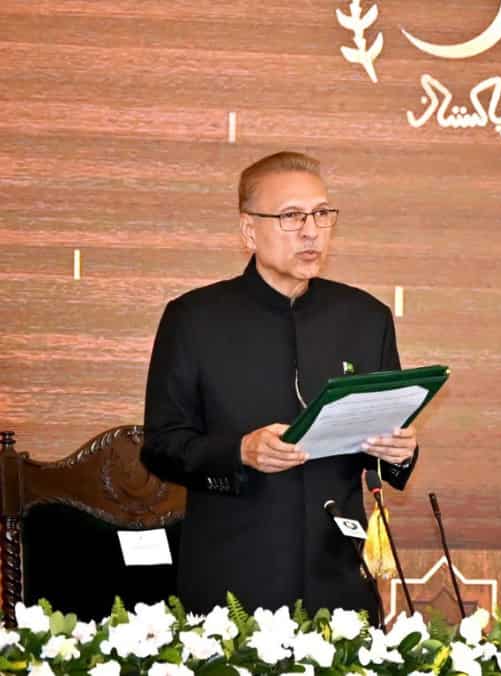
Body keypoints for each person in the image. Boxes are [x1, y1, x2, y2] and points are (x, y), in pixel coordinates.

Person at [141, 151, 419, 618]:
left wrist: (400, 451)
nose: (311, 231)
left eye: (322, 214)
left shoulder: (366, 318)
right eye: (291, 216)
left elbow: (383, 452)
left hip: (339, 582)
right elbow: (161, 447)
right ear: (249, 230)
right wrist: (240, 451)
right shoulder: (194, 319)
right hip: (233, 581)